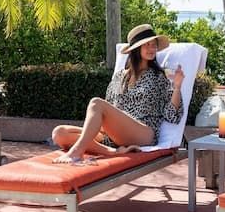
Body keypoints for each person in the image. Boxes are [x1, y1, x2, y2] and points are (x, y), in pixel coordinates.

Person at [52, 24, 185, 163]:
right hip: (115, 135)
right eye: (147, 44)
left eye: (154, 45)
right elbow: (108, 109)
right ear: (136, 48)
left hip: (143, 133)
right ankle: (111, 151)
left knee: (96, 103)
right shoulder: (119, 77)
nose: (152, 49)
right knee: (59, 133)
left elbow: (172, 116)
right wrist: (99, 130)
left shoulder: (158, 77)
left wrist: (177, 87)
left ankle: (77, 152)